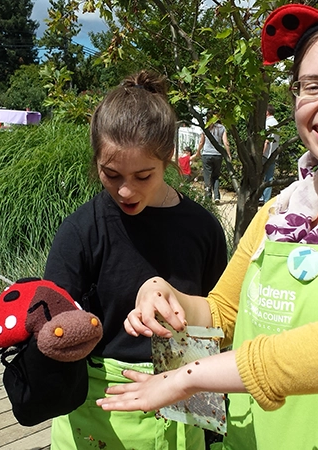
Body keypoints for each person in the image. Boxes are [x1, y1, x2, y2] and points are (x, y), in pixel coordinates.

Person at [97, 3, 318, 449]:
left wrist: (190, 377)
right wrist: (166, 295)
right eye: (313, 86)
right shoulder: (277, 213)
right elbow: (223, 315)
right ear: (296, 98)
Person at [44, 70, 229, 450]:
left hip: (186, 392)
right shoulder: (82, 231)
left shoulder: (203, 228)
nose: (126, 191)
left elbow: (221, 317)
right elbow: (54, 325)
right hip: (103, 406)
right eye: (111, 175)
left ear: (169, 161)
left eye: (144, 175)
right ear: (96, 161)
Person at [195, 116, 230, 204]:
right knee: (216, 176)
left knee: (207, 176)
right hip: (217, 155)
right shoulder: (222, 128)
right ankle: (217, 197)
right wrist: (228, 154)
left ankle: (208, 196)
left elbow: (201, 142)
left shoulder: (205, 127)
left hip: (206, 154)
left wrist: (198, 152)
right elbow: (226, 142)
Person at [261, 105, 280, 204]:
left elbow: (266, 141)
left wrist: (261, 154)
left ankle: (260, 197)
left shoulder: (268, 123)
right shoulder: (276, 123)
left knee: (260, 176)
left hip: (266, 154)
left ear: (267, 112)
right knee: (269, 177)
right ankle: (266, 199)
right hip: (273, 153)